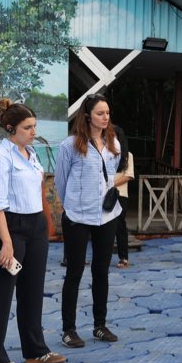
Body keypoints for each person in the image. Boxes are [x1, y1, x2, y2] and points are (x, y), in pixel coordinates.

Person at [0, 99, 66, 363]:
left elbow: (39, 190)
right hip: (9, 228)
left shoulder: (32, 154)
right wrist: (6, 242)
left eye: (34, 127)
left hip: (35, 227)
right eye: (27, 128)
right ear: (9, 128)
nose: (32, 132)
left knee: (32, 291)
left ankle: (35, 351)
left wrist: (47, 224)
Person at [55, 93, 123, 348]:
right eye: (100, 113)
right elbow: (61, 181)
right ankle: (69, 329)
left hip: (107, 215)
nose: (105, 117)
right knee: (74, 272)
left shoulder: (113, 141)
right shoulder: (70, 145)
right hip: (77, 215)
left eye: (107, 113)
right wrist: (73, 204)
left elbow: (112, 176)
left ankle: (100, 325)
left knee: (101, 272)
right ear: (87, 116)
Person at [112, 124, 135, 268]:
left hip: (120, 194)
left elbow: (129, 176)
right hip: (104, 194)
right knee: (103, 226)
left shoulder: (128, 155)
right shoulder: (102, 153)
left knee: (120, 226)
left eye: (114, 136)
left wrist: (110, 184)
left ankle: (123, 257)